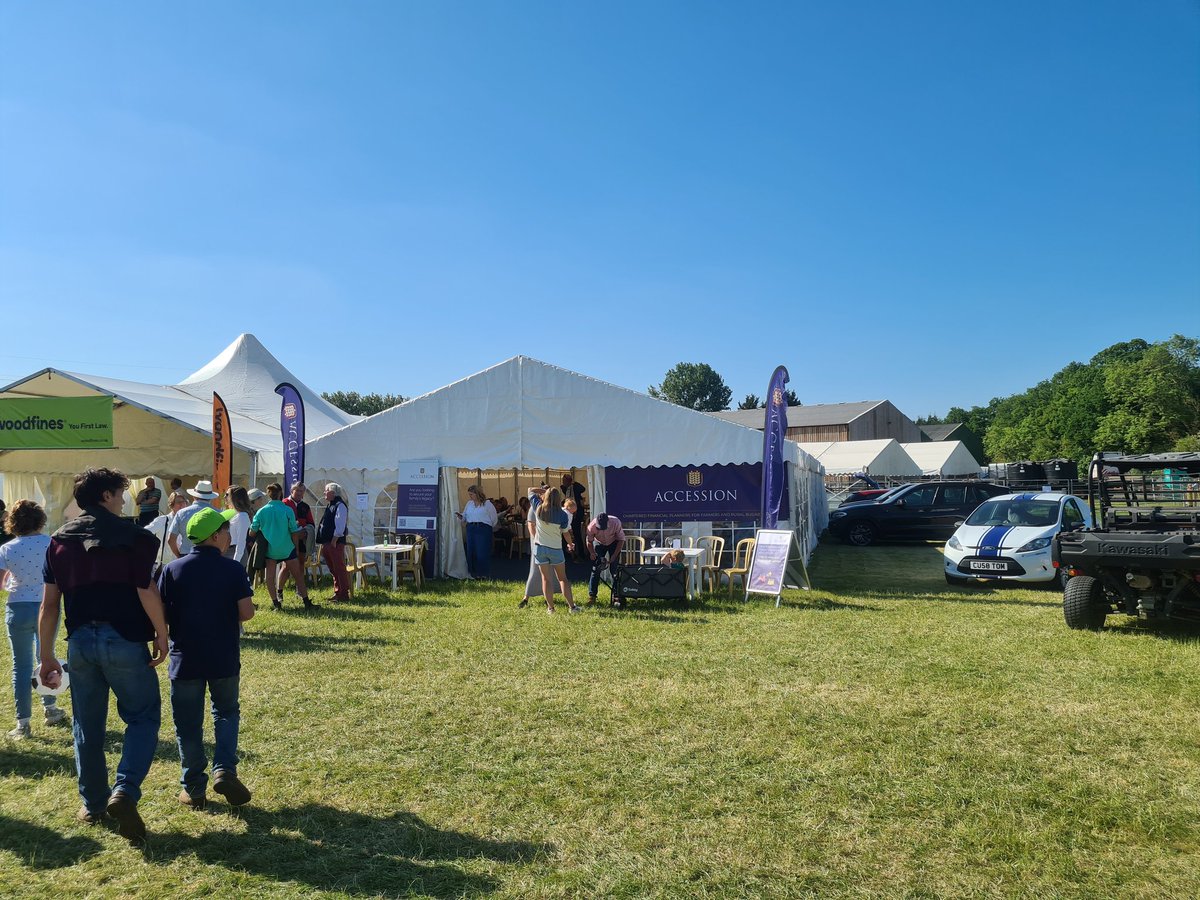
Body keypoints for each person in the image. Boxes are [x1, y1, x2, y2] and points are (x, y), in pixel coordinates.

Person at [39, 467, 168, 844]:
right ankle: (125, 790)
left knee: (87, 725)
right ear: (107, 496)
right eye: (121, 492)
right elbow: (146, 589)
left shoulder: (58, 540)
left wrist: (46, 655)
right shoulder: (136, 537)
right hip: (125, 638)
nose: (125, 497)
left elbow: (50, 606)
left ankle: (93, 804)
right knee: (143, 717)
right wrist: (162, 633)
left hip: (79, 639)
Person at [158, 506, 255, 810]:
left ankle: (193, 788)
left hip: (184, 658)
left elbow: (161, 614)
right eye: (226, 530)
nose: (229, 535)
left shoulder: (173, 570)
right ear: (215, 536)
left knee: (187, 724)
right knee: (226, 711)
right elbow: (247, 613)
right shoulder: (233, 569)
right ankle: (224, 769)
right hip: (223, 656)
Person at [1, 500, 68, 739]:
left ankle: (22, 723)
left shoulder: (7, 548)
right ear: (40, 520)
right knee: (46, 657)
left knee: (21, 665)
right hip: (46, 605)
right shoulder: (51, 543)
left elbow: (0, 582)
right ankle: (50, 708)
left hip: (17, 607)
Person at [249, 483, 314, 611]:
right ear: (280, 494)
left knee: (270, 577)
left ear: (268, 495)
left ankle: (276, 603)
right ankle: (306, 602)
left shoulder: (261, 511)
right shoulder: (287, 510)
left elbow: (252, 532)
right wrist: (295, 548)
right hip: (286, 548)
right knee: (298, 575)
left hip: (270, 549)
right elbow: (294, 532)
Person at [529, 486, 578, 613]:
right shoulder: (562, 515)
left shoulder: (538, 507)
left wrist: (543, 491)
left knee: (546, 579)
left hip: (540, 548)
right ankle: (572, 607)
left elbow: (530, 490)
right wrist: (571, 544)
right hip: (555, 549)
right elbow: (566, 533)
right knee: (563, 579)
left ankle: (551, 608)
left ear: (546, 496)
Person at [278, 482, 315, 596]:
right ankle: (279, 591)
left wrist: (306, 530)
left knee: (300, 564)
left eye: (301, 491)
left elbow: (311, 523)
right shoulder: (284, 504)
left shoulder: (305, 506)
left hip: (302, 540)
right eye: (297, 490)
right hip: (288, 540)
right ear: (292, 491)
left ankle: (300, 591)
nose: (299, 493)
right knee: (286, 566)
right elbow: (281, 524)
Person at [168, 480, 220, 559]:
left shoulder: (181, 513)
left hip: (187, 554)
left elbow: (171, 540)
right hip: (211, 556)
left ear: (194, 496)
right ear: (210, 498)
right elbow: (227, 538)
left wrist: (179, 556)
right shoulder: (219, 513)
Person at [317, 483, 350, 602]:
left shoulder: (339, 505)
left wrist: (334, 540)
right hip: (328, 542)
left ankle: (343, 594)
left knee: (339, 568)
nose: (324, 493)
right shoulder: (331, 505)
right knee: (333, 569)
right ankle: (338, 592)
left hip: (334, 542)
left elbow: (340, 525)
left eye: (326, 490)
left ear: (333, 492)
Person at [457, 485, 498, 578]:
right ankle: (473, 573)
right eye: (469, 494)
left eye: (471, 494)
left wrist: (487, 527)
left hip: (483, 529)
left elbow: (494, 519)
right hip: (471, 528)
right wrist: (461, 516)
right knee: (471, 551)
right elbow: (465, 515)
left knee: (482, 552)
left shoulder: (487, 504)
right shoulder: (469, 504)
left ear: (477, 494)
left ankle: (483, 574)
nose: (470, 496)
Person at [585, 512, 626, 606]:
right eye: (599, 527)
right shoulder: (591, 526)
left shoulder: (615, 522)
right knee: (596, 569)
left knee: (614, 570)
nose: (601, 529)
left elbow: (621, 540)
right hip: (599, 543)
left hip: (614, 542)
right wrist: (592, 552)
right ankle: (592, 596)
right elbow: (589, 541)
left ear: (608, 522)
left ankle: (616, 595)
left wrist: (614, 555)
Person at [225, 486, 254, 565]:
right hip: (230, 552)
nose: (225, 497)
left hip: (236, 554)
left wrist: (236, 562)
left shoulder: (242, 516)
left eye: (227, 494)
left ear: (235, 498)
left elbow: (241, 541)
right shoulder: (235, 514)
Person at [560, 474, 586, 561]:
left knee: (577, 535)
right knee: (564, 533)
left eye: (565, 481)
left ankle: (581, 554)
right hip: (567, 514)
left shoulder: (575, 487)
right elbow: (563, 489)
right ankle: (566, 554)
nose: (563, 483)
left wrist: (574, 483)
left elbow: (583, 489)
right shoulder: (566, 489)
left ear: (569, 481)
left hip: (576, 515)